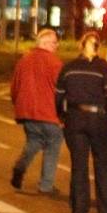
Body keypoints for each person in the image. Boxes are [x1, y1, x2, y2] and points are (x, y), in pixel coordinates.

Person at [54, 32, 107, 213]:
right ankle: (105, 211)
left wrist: (62, 116)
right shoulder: (104, 68)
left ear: (81, 45)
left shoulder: (69, 68)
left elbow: (58, 96)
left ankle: (80, 211)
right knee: (103, 165)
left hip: (75, 119)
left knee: (79, 166)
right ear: (98, 47)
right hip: (100, 121)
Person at [9, 28, 65, 195]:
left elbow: (14, 88)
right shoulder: (55, 63)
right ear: (45, 43)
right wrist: (64, 112)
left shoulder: (23, 61)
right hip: (49, 113)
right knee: (53, 145)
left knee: (34, 141)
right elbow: (61, 90)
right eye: (55, 42)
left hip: (27, 113)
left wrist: (19, 105)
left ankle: (20, 166)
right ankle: (46, 185)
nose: (57, 45)